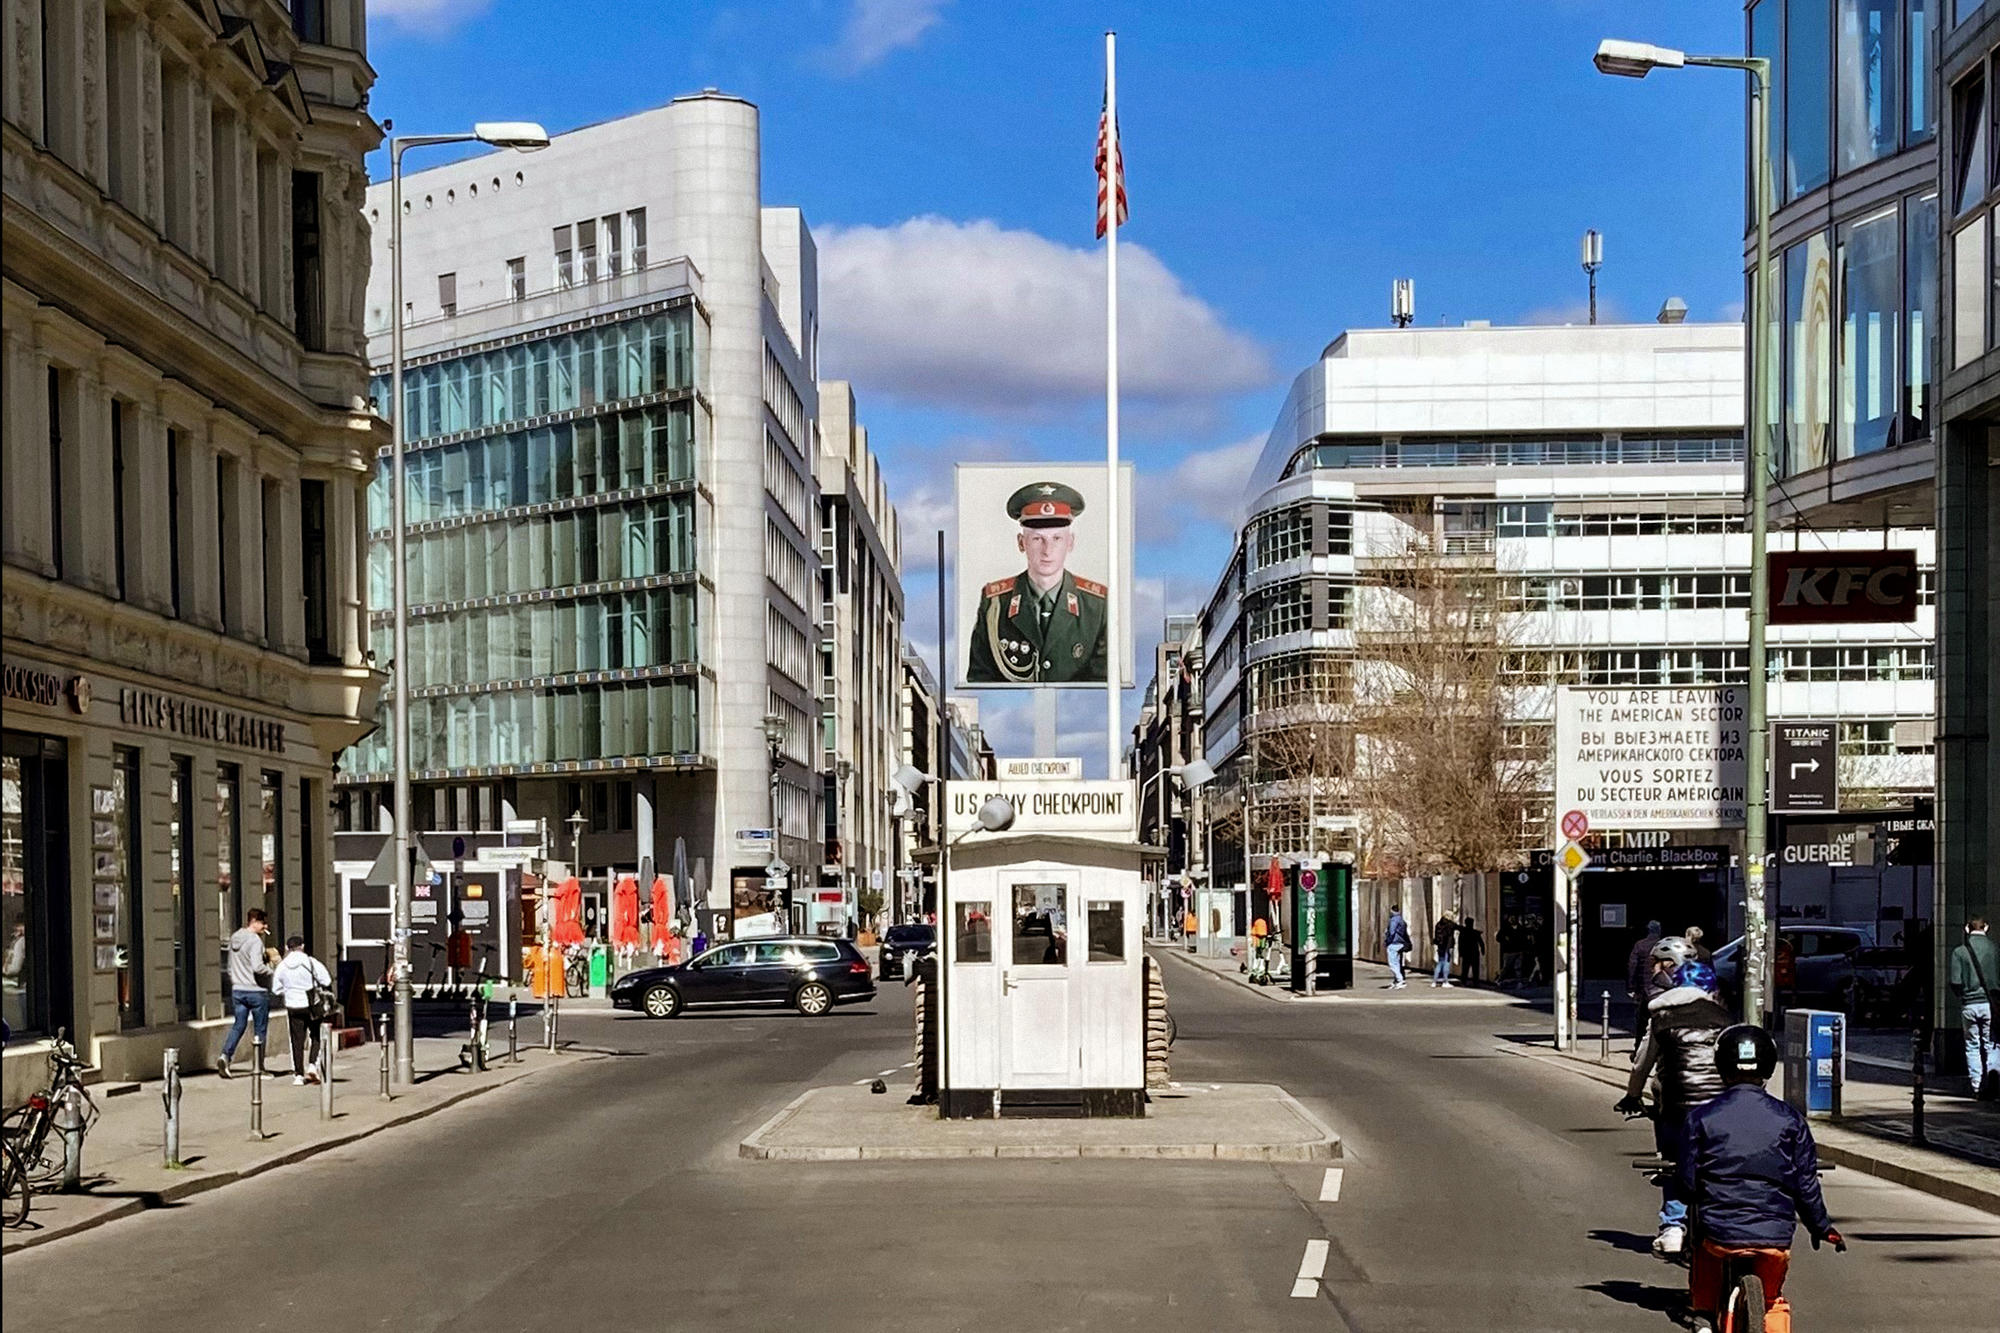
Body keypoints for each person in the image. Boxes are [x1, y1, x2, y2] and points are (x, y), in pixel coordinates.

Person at [1677, 1024, 1844, 1333]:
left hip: (1719, 1235)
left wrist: (1687, 1188)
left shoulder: (1700, 1118)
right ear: (1768, 1065)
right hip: (1774, 1238)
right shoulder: (1791, 1120)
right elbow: (1806, 1184)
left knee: (1703, 1246)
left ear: (1721, 1066)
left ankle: (1701, 1314)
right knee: (1771, 1302)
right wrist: (1822, 1228)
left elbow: (1687, 1182)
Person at [1615, 940, 1731, 1257]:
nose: (1652, 970)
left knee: (1672, 1160)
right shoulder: (1722, 1014)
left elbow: (1642, 1064)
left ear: (1672, 967)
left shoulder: (1661, 1016)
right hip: (1721, 1106)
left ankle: (1673, 1226)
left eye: (1657, 964)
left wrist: (1631, 1096)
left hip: (1678, 1108)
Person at [965, 481, 1109, 683]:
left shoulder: (1097, 605)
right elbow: (980, 678)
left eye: (1057, 539)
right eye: (1037, 539)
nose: (1047, 550)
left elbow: (1104, 683)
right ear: (1021, 543)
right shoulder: (995, 603)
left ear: (1070, 543)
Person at [1948, 916, 2000, 1100]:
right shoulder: (1994, 949)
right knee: (1991, 1043)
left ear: (1967, 929)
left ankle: (1976, 1085)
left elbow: (1955, 981)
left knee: (1972, 1045)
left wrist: (1962, 995)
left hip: (1969, 1004)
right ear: (1986, 927)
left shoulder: (1959, 952)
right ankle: (1994, 1078)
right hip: (1989, 1003)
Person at [269, 936, 333, 1085]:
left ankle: (298, 1074)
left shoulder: (283, 966)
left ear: (286, 948)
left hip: (292, 1005)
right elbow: (326, 980)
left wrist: (289, 989)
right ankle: (312, 1065)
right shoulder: (310, 961)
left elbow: (276, 989)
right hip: (310, 1004)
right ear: (302, 946)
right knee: (316, 1035)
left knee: (296, 1040)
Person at [218, 908, 272, 1078]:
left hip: (238, 990)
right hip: (256, 990)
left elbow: (228, 967)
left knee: (238, 1025)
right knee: (260, 1030)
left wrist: (236, 980)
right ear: (254, 921)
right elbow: (257, 967)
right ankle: (259, 1067)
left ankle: (225, 1056)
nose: (265, 926)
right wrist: (272, 969)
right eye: (263, 923)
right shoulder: (255, 941)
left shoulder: (234, 938)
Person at [1627, 919, 1664, 1046]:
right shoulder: (1663, 945)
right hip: (1661, 988)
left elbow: (1632, 966)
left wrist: (1631, 987)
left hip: (1644, 989)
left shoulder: (1640, 945)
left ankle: (1638, 1047)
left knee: (1641, 1021)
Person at [1385, 904, 1412, 989]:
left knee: (1392, 963)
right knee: (1398, 963)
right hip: (1401, 943)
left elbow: (1392, 932)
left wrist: (1388, 941)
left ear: (1392, 910)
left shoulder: (1393, 920)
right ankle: (1397, 980)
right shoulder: (1401, 920)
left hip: (1394, 943)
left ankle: (1400, 980)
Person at [1431, 911, 1457, 987]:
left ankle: (1434, 981)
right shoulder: (1450, 925)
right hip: (1447, 947)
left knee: (1439, 963)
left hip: (1440, 946)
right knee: (1446, 963)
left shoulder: (1438, 924)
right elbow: (1459, 928)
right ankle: (1445, 981)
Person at [1459, 915, 1485, 985]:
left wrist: (1460, 952)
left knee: (1465, 968)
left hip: (1466, 953)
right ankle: (1475, 982)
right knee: (1475, 968)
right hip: (1474, 952)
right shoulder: (1475, 933)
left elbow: (1460, 943)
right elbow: (1481, 942)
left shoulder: (1463, 932)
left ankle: (1464, 981)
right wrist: (1483, 950)